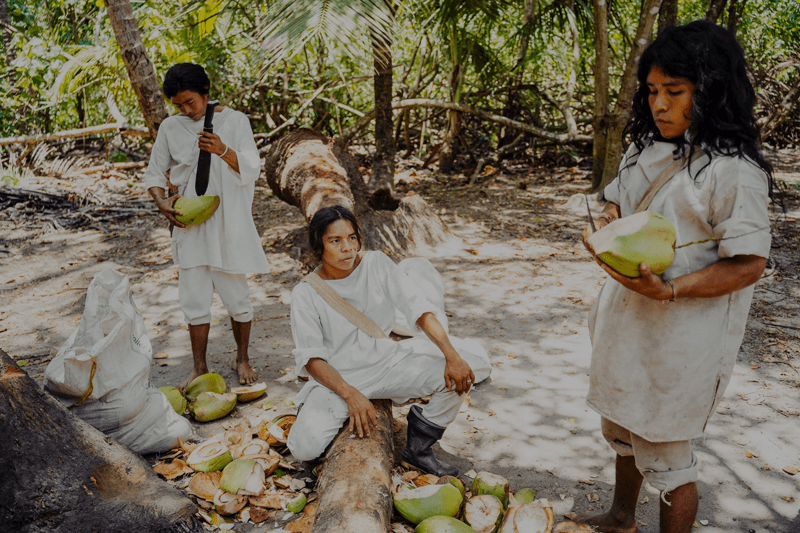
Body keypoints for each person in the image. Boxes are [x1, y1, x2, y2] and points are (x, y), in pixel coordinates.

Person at [579, 20, 773, 533]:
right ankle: (622, 518)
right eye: (652, 92)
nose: (659, 105)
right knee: (624, 426)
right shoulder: (646, 149)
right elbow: (617, 208)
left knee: (667, 453)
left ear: (710, 91)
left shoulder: (734, 172)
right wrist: (604, 234)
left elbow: (749, 263)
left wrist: (671, 290)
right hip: (627, 321)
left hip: (683, 340)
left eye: (675, 92)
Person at [286, 205, 491, 476]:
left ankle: (417, 450)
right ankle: (314, 415)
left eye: (351, 237)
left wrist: (451, 355)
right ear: (318, 246)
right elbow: (312, 360)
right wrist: (351, 395)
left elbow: (418, 310)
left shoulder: (376, 263)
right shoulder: (305, 293)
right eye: (335, 241)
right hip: (339, 380)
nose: (347, 247)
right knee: (303, 449)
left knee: (461, 376)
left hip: (388, 363)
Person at [144, 63, 269, 387]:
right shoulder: (172, 127)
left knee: (238, 298)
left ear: (206, 93)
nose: (186, 110)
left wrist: (223, 150)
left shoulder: (235, 120)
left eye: (191, 102)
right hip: (192, 225)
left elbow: (253, 167)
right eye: (179, 105)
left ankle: (242, 358)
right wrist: (161, 202)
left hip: (230, 225)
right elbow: (155, 172)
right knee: (194, 300)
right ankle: (199, 367)